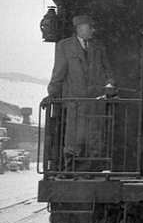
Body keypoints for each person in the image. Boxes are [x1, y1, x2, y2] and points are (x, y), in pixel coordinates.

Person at [45, 15, 114, 171]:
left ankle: (93, 169)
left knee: (94, 137)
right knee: (75, 137)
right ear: (81, 28)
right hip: (76, 102)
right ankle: (72, 168)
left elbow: (108, 71)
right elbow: (59, 72)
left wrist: (110, 85)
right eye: (91, 27)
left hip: (96, 102)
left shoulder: (99, 47)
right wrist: (52, 93)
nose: (93, 30)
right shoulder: (65, 46)